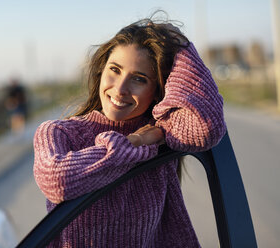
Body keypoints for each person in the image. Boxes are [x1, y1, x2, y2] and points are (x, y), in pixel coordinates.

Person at [33, 14, 226, 247]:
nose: (121, 88)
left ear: (156, 91)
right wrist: (134, 142)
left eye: (139, 79)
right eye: (115, 69)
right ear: (101, 71)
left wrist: (178, 43)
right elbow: (57, 181)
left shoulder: (163, 133)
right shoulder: (59, 133)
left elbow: (207, 125)